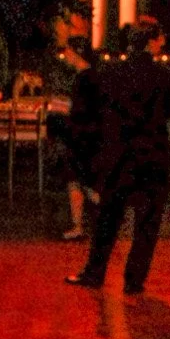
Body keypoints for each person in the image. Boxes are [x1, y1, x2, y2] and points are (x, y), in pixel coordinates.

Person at [67, 17, 170, 296]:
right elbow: (166, 113)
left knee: (107, 218)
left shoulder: (111, 73)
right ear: (152, 41)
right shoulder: (166, 78)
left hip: (119, 155)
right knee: (147, 223)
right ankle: (134, 279)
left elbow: (103, 112)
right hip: (152, 155)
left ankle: (94, 272)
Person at [58, 37, 103, 241]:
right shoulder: (89, 76)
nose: (64, 56)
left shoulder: (85, 78)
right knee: (76, 179)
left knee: (82, 180)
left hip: (82, 136)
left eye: (67, 51)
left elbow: (80, 109)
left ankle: (96, 218)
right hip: (85, 135)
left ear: (76, 53)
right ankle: (78, 224)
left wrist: (62, 108)